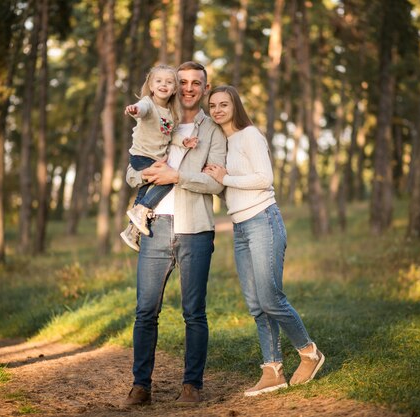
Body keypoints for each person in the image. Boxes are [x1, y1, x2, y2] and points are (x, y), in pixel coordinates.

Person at [203, 85, 324, 397]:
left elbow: (264, 178)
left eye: (223, 104)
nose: (217, 110)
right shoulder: (222, 144)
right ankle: (273, 370)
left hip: (263, 220)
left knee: (271, 299)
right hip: (241, 228)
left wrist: (225, 177)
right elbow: (220, 185)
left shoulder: (250, 136)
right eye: (213, 105)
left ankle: (310, 352)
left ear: (235, 106)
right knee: (256, 305)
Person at [122, 62, 227, 406]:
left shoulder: (211, 130)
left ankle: (191, 387)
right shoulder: (155, 116)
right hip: (154, 228)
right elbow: (131, 172)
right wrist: (147, 175)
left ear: (205, 88)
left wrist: (177, 177)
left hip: (195, 229)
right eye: (182, 81)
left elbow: (215, 183)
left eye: (196, 83)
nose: (188, 87)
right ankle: (141, 387)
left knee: (193, 312)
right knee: (145, 311)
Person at [120, 64, 197, 252]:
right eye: (159, 81)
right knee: (167, 182)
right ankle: (141, 210)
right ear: (151, 86)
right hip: (143, 156)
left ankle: (132, 230)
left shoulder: (170, 113)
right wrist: (135, 109)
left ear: (174, 89)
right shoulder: (148, 103)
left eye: (169, 82)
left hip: (153, 158)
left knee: (143, 193)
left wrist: (183, 141)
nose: (164, 85)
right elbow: (142, 109)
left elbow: (170, 135)